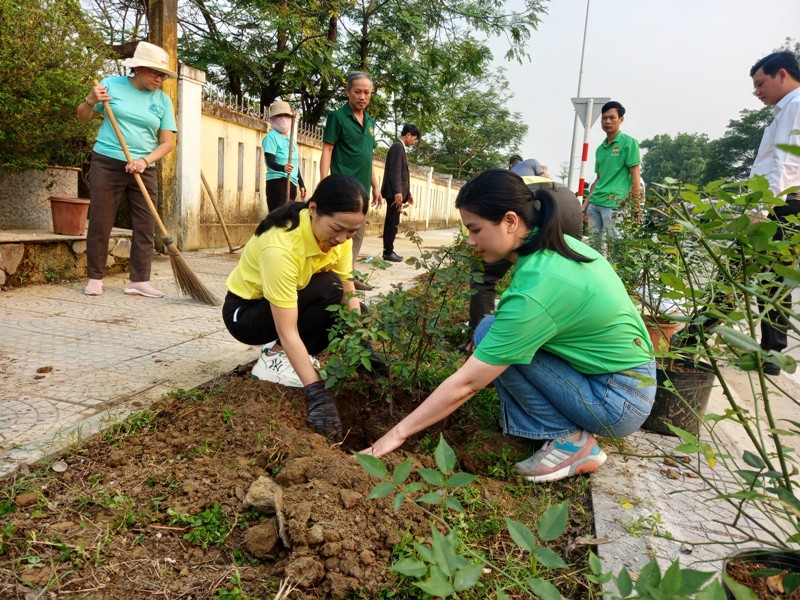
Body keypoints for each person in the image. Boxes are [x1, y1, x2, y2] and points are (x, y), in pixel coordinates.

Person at [362, 169, 656, 483]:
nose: (470, 241)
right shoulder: (557, 247)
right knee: (494, 329)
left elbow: (467, 384)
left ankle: (569, 440)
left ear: (510, 221)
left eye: (475, 229)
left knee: (492, 335)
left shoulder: (541, 283)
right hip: (628, 382)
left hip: (617, 401)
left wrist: (396, 435)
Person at [222, 174, 368, 440]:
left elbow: (350, 291)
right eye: (338, 229)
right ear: (313, 209)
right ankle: (275, 358)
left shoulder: (340, 236)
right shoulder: (280, 246)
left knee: (351, 307)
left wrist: (362, 343)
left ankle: (285, 354)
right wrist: (316, 393)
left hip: (281, 304)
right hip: (244, 314)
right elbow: (288, 328)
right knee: (328, 289)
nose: (344, 239)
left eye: (352, 232)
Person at [77, 41, 178, 298]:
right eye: (155, 73)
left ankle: (139, 280)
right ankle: (95, 277)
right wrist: (89, 101)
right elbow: (82, 116)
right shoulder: (111, 84)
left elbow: (167, 142)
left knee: (145, 224)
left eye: (163, 74)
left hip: (144, 167)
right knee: (101, 220)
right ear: (139, 69)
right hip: (108, 161)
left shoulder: (163, 101)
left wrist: (144, 161)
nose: (160, 78)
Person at [464, 175, 583, 352]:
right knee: (565, 267)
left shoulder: (492, 195)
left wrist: (478, 335)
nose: (471, 241)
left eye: (475, 230)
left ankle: (477, 342)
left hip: (537, 205)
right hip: (568, 202)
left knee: (484, 275)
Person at [749, 51, 800, 376]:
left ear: (782, 74)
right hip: (779, 204)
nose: (757, 91)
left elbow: (786, 163)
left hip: (782, 206)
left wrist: (761, 209)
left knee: (758, 273)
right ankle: (771, 352)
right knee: (771, 280)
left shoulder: (795, 106)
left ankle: (693, 336)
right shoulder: (785, 109)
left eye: (760, 83)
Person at [320, 72, 383, 290]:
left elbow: (368, 157)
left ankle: (349, 276)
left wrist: (376, 186)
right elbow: (327, 149)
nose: (362, 96)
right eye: (358, 91)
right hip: (343, 187)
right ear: (348, 92)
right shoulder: (337, 118)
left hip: (363, 191)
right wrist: (324, 182)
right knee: (337, 233)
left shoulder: (371, 123)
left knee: (356, 235)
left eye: (367, 92)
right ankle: (332, 277)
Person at [582, 101, 642, 255]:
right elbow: (598, 179)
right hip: (595, 204)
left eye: (612, 118)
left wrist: (636, 207)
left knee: (617, 247)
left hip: (614, 204)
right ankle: (599, 278)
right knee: (595, 248)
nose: (607, 122)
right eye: (604, 118)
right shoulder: (600, 149)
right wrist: (586, 204)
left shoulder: (628, 143)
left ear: (621, 119)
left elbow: (636, 178)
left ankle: (621, 278)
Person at [381, 124, 420, 262]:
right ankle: (388, 251)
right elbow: (395, 172)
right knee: (392, 222)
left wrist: (407, 193)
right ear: (408, 135)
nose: (413, 142)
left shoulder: (399, 148)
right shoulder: (397, 147)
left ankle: (389, 250)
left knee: (393, 221)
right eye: (414, 139)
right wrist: (398, 191)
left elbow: (402, 174)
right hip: (393, 194)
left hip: (396, 193)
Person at [263, 100, 306, 211]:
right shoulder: (271, 137)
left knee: (288, 219)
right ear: (272, 119)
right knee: (278, 219)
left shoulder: (291, 140)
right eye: (279, 115)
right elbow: (270, 161)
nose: (283, 119)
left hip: (292, 182)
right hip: (277, 182)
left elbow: (295, 166)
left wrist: (301, 184)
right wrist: (283, 168)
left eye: (286, 115)